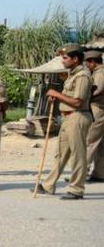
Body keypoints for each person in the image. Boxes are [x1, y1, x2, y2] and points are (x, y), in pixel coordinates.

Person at [36, 44, 93, 199]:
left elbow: (77, 102)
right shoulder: (72, 75)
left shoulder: (82, 76)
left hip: (78, 116)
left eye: (65, 58)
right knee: (60, 154)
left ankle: (76, 189)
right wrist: (57, 97)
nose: (62, 61)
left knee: (78, 155)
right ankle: (49, 185)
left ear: (75, 59)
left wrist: (57, 94)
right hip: (68, 117)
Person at [83, 50, 104, 182]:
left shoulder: (100, 73)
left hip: (98, 110)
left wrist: (87, 97)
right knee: (100, 144)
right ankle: (99, 173)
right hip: (100, 110)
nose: (87, 66)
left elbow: (100, 88)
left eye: (87, 63)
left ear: (93, 62)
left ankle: (80, 173)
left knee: (90, 142)